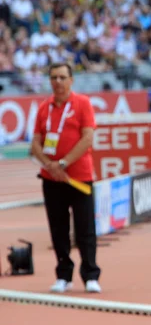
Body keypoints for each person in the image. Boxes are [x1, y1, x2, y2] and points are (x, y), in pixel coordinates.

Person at [30, 63, 101, 294]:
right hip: (51, 178)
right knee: (58, 228)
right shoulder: (44, 108)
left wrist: (63, 163)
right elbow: (35, 143)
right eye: (53, 78)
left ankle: (90, 275)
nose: (57, 82)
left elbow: (87, 138)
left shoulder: (83, 104)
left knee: (85, 228)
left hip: (79, 177)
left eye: (62, 77)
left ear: (71, 80)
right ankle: (63, 275)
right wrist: (50, 165)